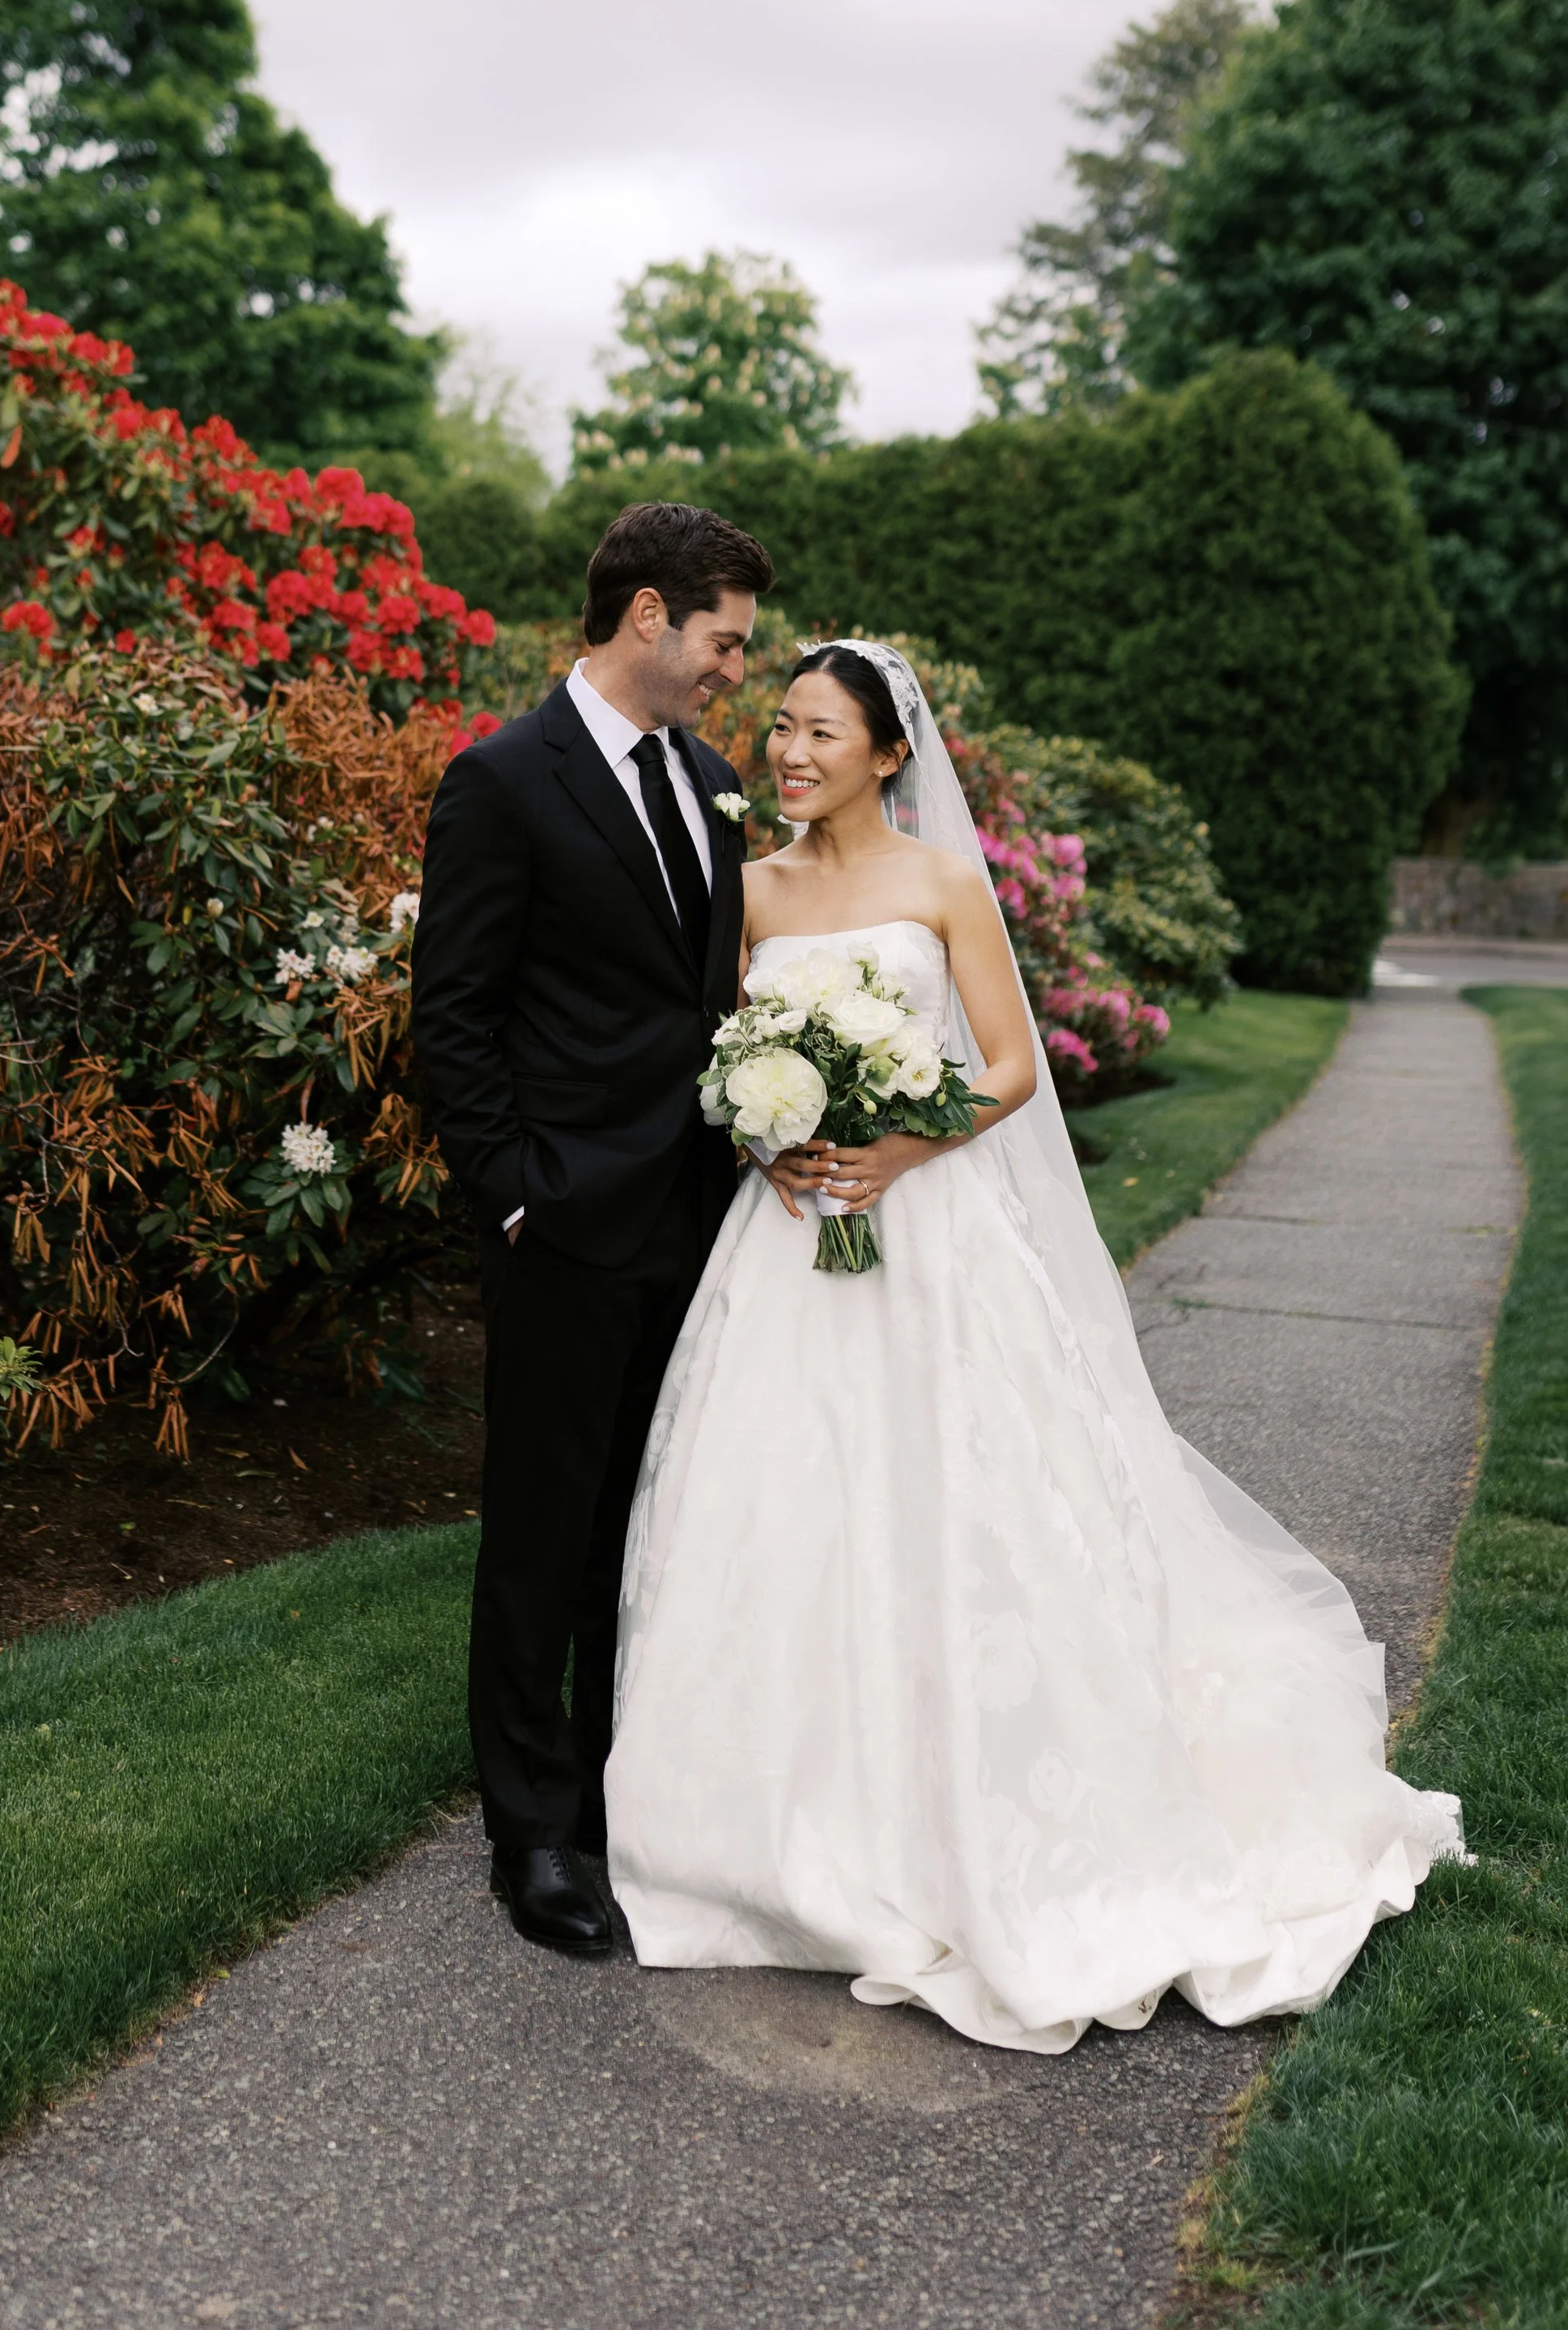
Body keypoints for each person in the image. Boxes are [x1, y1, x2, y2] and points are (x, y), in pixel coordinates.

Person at [604, 640, 1464, 2052]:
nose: (791, 754)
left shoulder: (943, 884)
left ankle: (984, 1820)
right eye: (780, 729)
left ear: (891, 752)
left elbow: (1008, 1068)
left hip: (928, 1234)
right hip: (788, 1238)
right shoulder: (747, 891)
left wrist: (891, 1144)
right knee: (778, 1510)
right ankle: (763, 1835)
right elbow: (724, 1058)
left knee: (959, 1511)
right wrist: (773, 1140)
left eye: (822, 731)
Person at [411, 500, 775, 1954]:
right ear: (646, 617)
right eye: (724, 639)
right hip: (563, 1220)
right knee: (545, 1533)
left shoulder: (714, 779)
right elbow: (454, 1016)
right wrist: (514, 1192)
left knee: (653, 1524)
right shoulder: (503, 779)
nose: (733, 668)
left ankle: (630, 1795)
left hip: (699, 1218)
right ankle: (535, 1834)